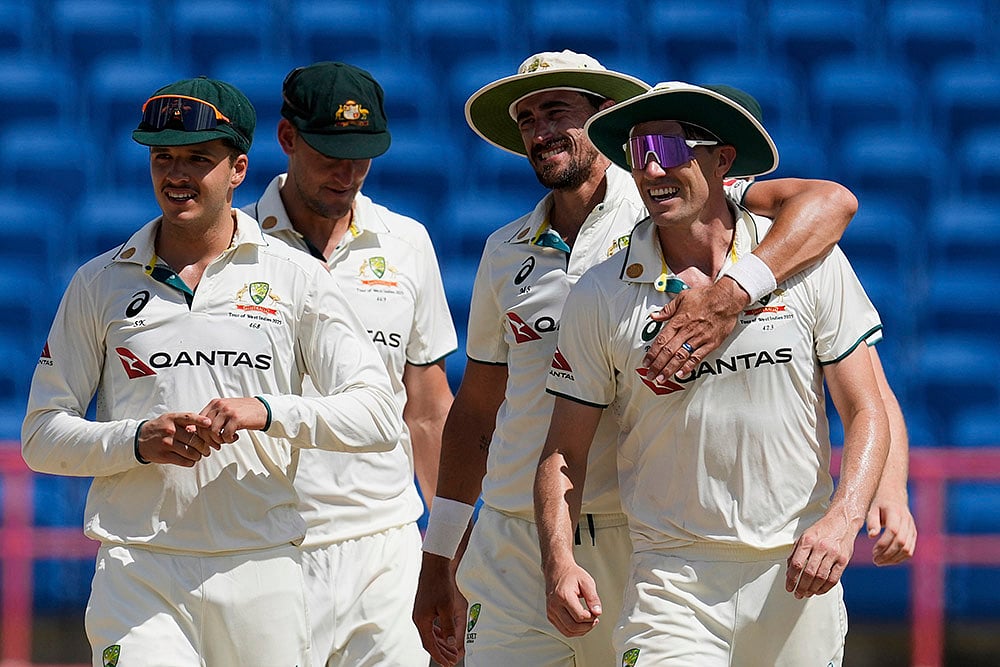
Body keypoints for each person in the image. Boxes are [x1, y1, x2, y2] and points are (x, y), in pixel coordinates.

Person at [412, 50, 913, 667]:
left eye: (558, 111)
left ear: (604, 119)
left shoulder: (680, 193)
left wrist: (878, 495)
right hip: (529, 530)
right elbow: (477, 411)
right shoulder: (504, 249)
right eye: (528, 118)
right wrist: (441, 551)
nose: (541, 132)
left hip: (640, 532)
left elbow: (832, 206)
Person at [21, 76, 402, 667]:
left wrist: (270, 411)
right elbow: (42, 437)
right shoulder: (100, 282)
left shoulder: (295, 277)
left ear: (238, 170)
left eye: (199, 158)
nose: (177, 175)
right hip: (137, 566)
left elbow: (379, 414)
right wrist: (138, 441)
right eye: (163, 157)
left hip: (262, 565)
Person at [535, 80, 890, 665]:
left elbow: (865, 408)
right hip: (670, 579)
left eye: (670, 149)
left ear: (723, 160)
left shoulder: (809, 264)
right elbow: (562, 452)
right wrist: (559, 561)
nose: (651, 170)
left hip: (795, 571)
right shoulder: (600, 292)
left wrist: (843, 520)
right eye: (637, 151)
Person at [243, 61, 456, 667]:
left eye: (363, 154)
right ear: (287, 139)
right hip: (269, 543)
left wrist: (446, 549)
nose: (349, 171)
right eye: (331, 151)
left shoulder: (407, 241)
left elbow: (428, 408)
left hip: (385, 543)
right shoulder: (234, 246)